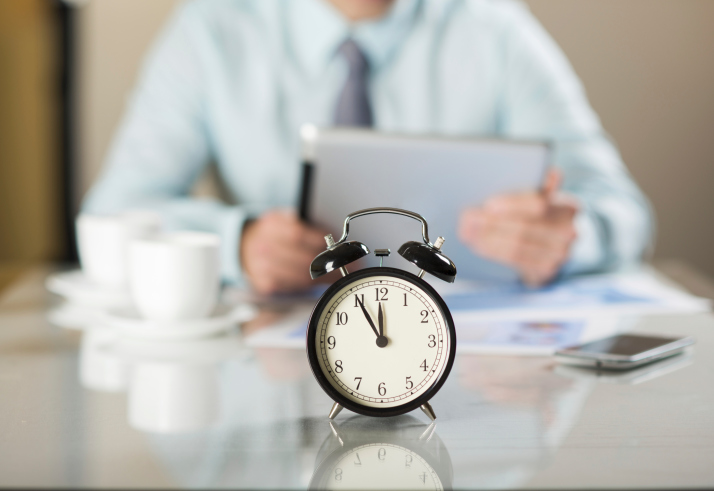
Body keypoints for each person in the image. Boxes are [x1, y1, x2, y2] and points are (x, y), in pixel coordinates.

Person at [83, 0, 653, 294]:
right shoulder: (211, 28)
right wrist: (239, 243)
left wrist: (566, 239)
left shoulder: (494, 28)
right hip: (274, 374)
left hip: (467, 375)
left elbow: (622, 210)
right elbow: (114, 213)